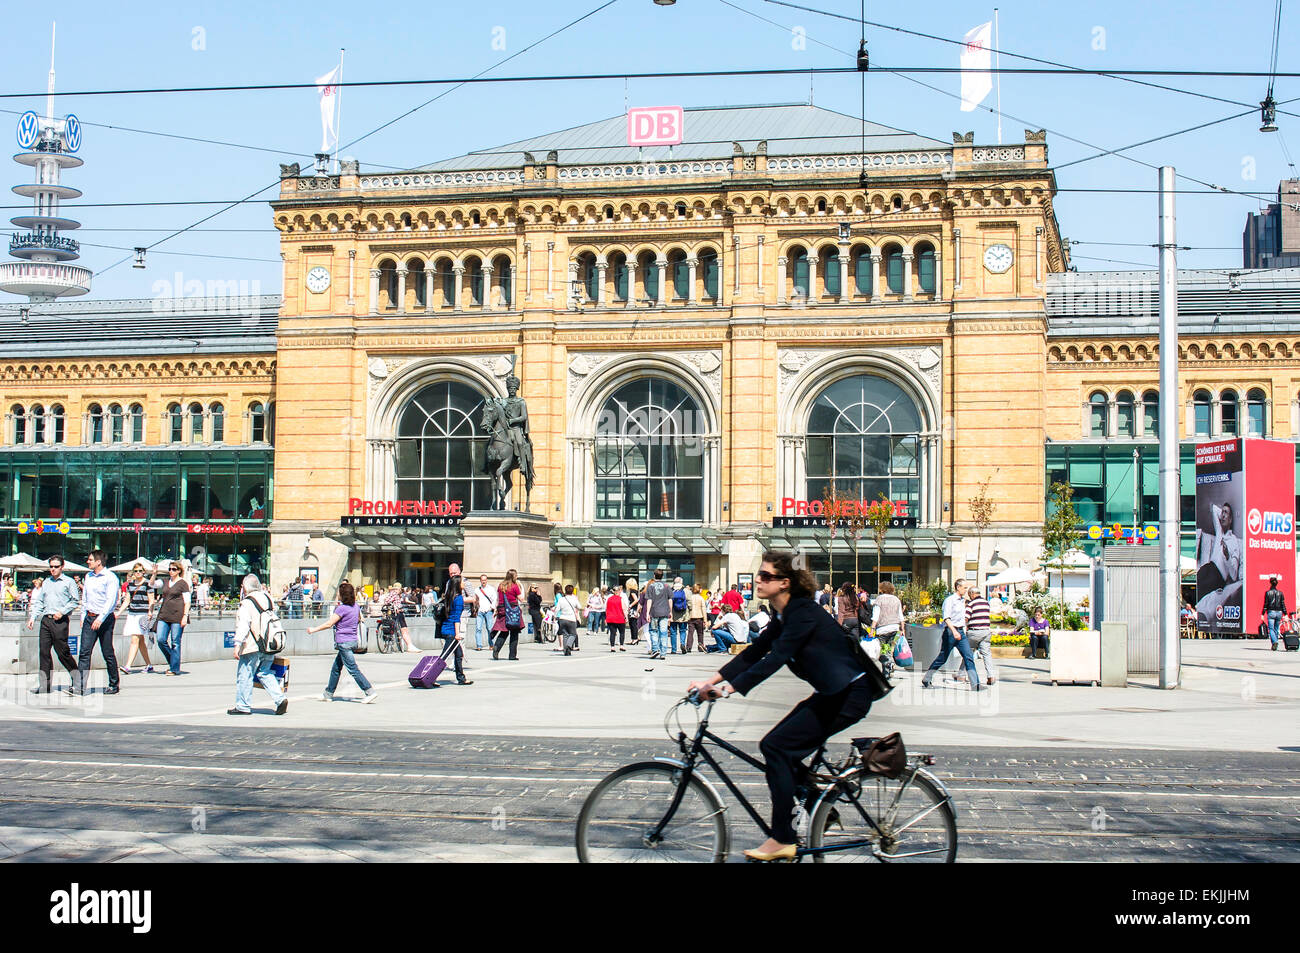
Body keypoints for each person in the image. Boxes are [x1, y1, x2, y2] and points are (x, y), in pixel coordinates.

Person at [687, 551, 887, 862]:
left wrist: (726, 690)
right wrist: (708, 682)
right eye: (759, 574)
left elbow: (776, 658)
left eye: (765, 576)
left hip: (849, 694)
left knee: (777, 748)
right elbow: (754, 653)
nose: (757, 580)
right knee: (777, 747)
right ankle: (819, 802)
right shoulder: (785, 615)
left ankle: (782, 837)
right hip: (834, 692)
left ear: (784, 583)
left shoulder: (802, 613)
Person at [308, 580, 378, 703]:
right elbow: (359, 619)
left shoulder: (341, 609)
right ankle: (328, 694)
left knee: (353, 669)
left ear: (343, 595)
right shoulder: (355, 607)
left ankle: (369, 691)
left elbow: (329, 623)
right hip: (353, 640)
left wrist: (314, 630)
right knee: (336, 668)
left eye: (339, 593)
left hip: (344, 642)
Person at [228, 574, 288, 716]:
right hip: (269, 643)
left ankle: (243, 706)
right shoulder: (268, 598)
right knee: (264, 672)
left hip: (252, 645)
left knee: (245, 674)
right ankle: (280, 699)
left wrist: (237, 644)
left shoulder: (247, 603)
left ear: (245, 587)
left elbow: (243, 625)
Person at [26, 555, 80, 694]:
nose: (53, 569)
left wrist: (62, 612)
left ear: (62, 567)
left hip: (60, 621)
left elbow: (75, 601)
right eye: (51, 566)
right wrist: (33, 617)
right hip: (46, 619)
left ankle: (77, 678)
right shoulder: (46, 582)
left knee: (62, 652)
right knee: (44, 652)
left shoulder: (68, 582)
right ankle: (45, 685)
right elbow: (39, 601)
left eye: (56, 566)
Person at [75, 550, 122, 696]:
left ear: (98, 562)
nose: (87, 562)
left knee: (107, 652)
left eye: (90, 560)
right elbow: (86, 597)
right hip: (90, 617)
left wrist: (100, 618)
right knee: (84, 652)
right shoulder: (88, 576)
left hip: (105, 619)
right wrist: (83, 615)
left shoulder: (110, 577)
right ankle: (80, 686)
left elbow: (111, 601)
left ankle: (114, 684)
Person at [921, 579, 981, 691]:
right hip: (950, 632)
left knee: (968, 656)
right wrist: (954, 631)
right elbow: (946, 618)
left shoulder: (962, 601)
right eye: (964, 588)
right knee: (942, 658)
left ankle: (975, 684)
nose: (966, 590)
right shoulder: (950, 600)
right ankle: (927, 678)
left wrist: (962, 629)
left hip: (960, 632)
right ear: (958, 587)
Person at [154, 561, 191, 677]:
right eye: (169, 569)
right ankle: (173, 661)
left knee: (175, 642)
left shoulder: (183, 583)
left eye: (174, 569)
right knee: (160, 639)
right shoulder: (165, 581)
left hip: (177, 616)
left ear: (179, 570)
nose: (171, 571)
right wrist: (154, 574)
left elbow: (187, 601)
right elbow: (152, 585)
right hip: (164, 615)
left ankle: (174, 668)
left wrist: (185, 616)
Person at [120, 564, 156, 675]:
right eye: (136, 571)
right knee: (140, 642)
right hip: (132, 614)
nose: (138, 572)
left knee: (135, 639)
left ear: (144, 572)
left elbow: (151, 600)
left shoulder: (147, 584)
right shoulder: (130, 584)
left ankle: (128, 666)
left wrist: (150, 612)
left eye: (140, 570)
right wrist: (118, 612)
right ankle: (149, 665)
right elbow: (127, 600)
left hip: (142, 615)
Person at [438, 575, 472, 685]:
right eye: (462, 582)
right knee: (444, 656)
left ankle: (461, 678)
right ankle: (430, 676)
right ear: (458, 584)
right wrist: (457, 634)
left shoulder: (449, 596)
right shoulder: (458, 599)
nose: (464, 583)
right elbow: (457, 618)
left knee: (459, 654)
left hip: (445, 628)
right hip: (451, 631)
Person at [963, 585, 997, 686]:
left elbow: (966, 618)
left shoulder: (971, 604)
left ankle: (961, 674)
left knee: (966, 653)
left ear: (972, 594)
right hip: (986, 632)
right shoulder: (986, 603)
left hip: (974, 632)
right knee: (987, 655)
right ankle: (991, 676)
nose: (969, 596)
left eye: (969, 594)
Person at [492, 569, 524, 661]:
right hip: (513, 610)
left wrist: (496, 610)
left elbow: (498, 599)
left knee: (504, 631)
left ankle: (497, 648)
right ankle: (512, 655)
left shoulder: (501, 586)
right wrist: (521, 587)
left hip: (502, 609)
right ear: (514, 576)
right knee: (514, 633)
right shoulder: (515, 586)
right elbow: (521, 599)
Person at [872, 580, 905, 666]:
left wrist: (872, 628)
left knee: (881, 650)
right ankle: (888, 666)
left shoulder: (879, 599)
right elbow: (900, 616)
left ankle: (888, 664)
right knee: (889, 649)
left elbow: (876, 615)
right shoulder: (896, 599)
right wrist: (903, 628)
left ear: (882, 589)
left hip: (882, 629)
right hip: (894, 627)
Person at [381, 582, 417, 653]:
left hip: (398, 612)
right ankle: (410, 645)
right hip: (397, 612)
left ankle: (410, 645)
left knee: (404, 629)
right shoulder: (394, 593)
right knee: (404, 629)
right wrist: (394, 606)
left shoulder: (395, 594)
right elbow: (387, 600)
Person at [645, 569, 673, 659]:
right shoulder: (666, 586)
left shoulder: (651, 586)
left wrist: (647, 612)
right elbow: (670, 599)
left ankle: (655, 649)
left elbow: (649, 600)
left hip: (654, 612)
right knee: (664, 632)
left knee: (653, 631)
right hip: (664, 612)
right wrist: (670, 611)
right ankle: (663, 653)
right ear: (662, 576)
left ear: (654, 575)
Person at [555, 583, 585, 656]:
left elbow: (557, 609)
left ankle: (566, 651)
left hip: (562, 619)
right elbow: (579, 606)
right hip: (571, 619)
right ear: (572, 591)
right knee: (573, 634)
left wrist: (555, 617)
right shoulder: (574, 599)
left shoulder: (561, 599)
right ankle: (569, 645)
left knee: (565, 635)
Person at [473, 574, 497, 652]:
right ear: (480, 581)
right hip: (480, 611)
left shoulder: (491, 589)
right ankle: (479, 645)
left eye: (485, 580)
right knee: (478, 628)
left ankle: (491, 644)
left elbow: (494, 599)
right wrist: (475, 606)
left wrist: (492, 607)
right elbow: (475, 600)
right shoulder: (477, 590)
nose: (483, 581)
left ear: (487, 580)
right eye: (482, 580)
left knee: (489, 629)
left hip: (488, 611)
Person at [1264, 576, 1287, 651]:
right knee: (1276, 629)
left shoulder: (1268, 593)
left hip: (1271, 612)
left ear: (1270, 583)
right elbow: (1283, 604)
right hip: (1279, 612)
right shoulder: (1280, 593)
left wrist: (1263, 613)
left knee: (1271, 628)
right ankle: (1275, 642)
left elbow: (1266, 604)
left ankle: (1274, 642)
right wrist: (1285, 613)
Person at [685, 583, 707, 654]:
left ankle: (688, 646)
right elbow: (703, 609)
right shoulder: (701, 598)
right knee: (700, 633)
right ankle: (700, 645)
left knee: (690, 633)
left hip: (691, 617)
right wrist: (705, 620)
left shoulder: (690, 597)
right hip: (699, 617)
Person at [669, 577, 690, 654]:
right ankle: (682, 644)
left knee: (673, 632)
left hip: (673, 614)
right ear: (681, 582)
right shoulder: (686, 590)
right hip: (683, 613)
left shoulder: (671, 590)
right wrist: (689, 611)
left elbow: (668, 601)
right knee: (683, 630)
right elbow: (689, 602)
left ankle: (674, 649)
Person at [605, 583, 628, 651]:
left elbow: (606, 608)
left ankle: (612, 647)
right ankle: (621, 646)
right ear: (619, 591)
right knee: (622, 632)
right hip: (619, 618)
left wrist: (606, 617)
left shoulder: (609, 599)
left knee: (612, 633)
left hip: (611, 618)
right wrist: (626, 617)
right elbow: (624, 609)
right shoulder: (621, 599)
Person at [625, 579, 642, 645]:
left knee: (633, 624)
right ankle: (634, 639)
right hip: (635, 609)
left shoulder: (632, 591)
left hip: (633, 609)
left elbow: (636, 600)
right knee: (633, 624)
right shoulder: (636, 591)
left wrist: (630, 606)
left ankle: (634, 639)